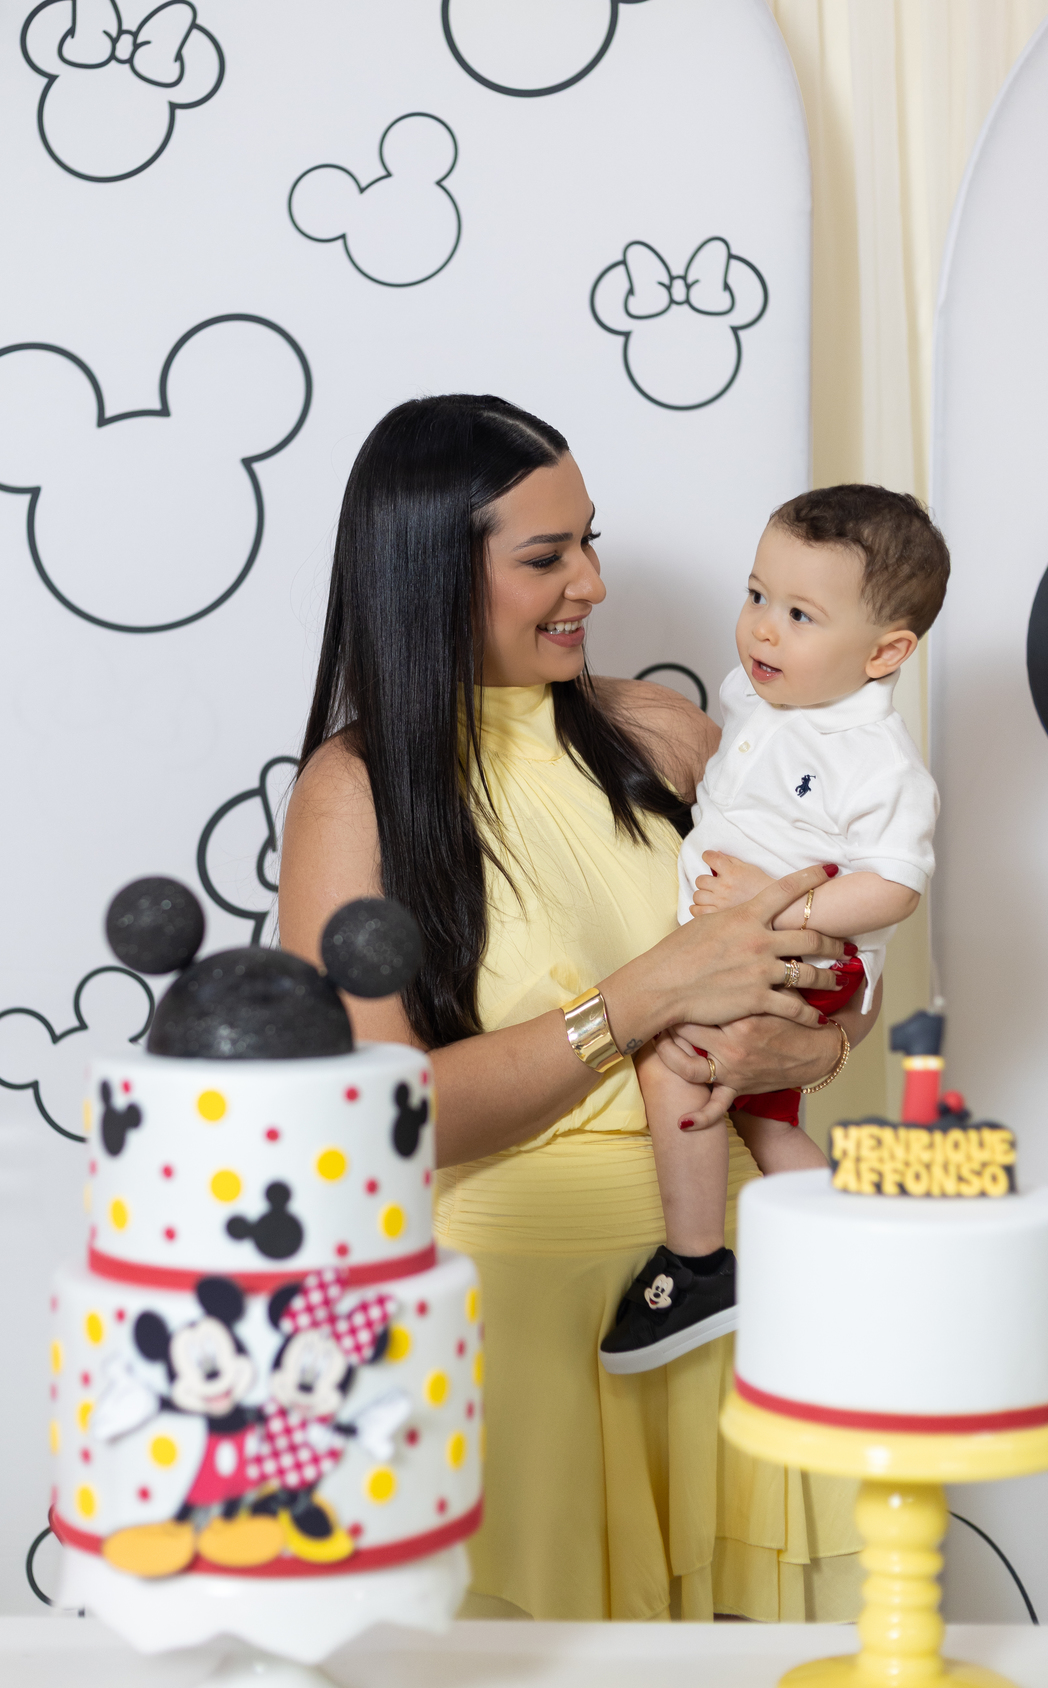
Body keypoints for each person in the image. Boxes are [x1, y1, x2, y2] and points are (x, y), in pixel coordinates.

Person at [278, 394, 872, 1621]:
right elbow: (385, 1120)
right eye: (547, 556)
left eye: (589, 541)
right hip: (523, 1329)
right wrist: (646, 996)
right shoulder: (357, 790)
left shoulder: (665, 738)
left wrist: (806, 1036)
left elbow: (836, 962)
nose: (591, 583)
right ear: (431, 571)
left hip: (735, 1296)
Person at [602, 487, 947, 1374]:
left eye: (799, 615)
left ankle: (698, 1263)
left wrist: (785, 909)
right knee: (759, 1121)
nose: (762, 630)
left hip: (805, 946)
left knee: (672, 1052)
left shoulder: (874, 758)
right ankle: (868, 1256)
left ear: (886, 653)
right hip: (759, 939)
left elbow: (895, 887)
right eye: (756, 596)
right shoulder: (754, 699)